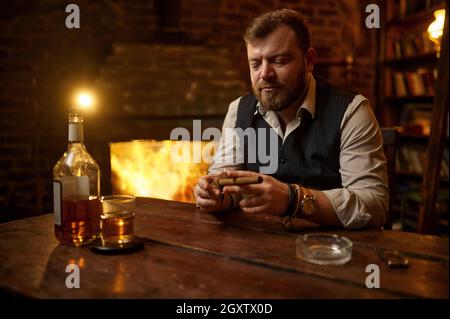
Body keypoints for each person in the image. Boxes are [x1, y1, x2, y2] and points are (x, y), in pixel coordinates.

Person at [193, 9, 388, 229]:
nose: (264, 74)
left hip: (330, 251)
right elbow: (227, 186)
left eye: (279, 61)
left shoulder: (352, 110)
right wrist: (216, 196)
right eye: (255, 64)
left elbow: (374, 207)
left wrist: (294, 200)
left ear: (309, 61)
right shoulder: (238, 110)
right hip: (258, 246)